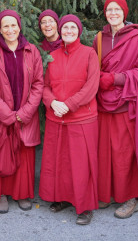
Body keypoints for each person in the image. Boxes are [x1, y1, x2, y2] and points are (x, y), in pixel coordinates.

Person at [93, 0, 138, 219]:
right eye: (109, 9)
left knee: (126, 154)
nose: (113, 13)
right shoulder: (99, 39)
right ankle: (109, 194)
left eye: (117, 9)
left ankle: (132, 198)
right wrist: (99, 78)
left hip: (127, 105)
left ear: (124, 12)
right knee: (106, 152)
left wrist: (117, 79)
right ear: (105, 13)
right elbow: (93, 67)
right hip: (103, 105)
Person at [39, 14, 100, 225]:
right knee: (59, 163)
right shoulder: (53, 55)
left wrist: (69, 104)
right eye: (65, 28)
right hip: (56, 118)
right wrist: (52, 102)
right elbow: (45, 86)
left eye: (73, 27)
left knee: (82, 165)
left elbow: (91, 86)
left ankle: (85, 207)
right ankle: (63, 198)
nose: (69, 31)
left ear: (79, 31)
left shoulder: (89, 53)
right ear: (60, 31)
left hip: (82, 118)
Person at [0, 9, 44, 214]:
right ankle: (0, 194)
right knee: (0, 153)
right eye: (5, 26)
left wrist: (25, 113)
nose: (10, 29)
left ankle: (22, 193)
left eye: (13, 25)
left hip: (25, 115)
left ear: (20, 26)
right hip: (1, 116)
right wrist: (7, 115)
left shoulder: (31, 50)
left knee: (24, 154)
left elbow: (38, 83)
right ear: (0, 29)